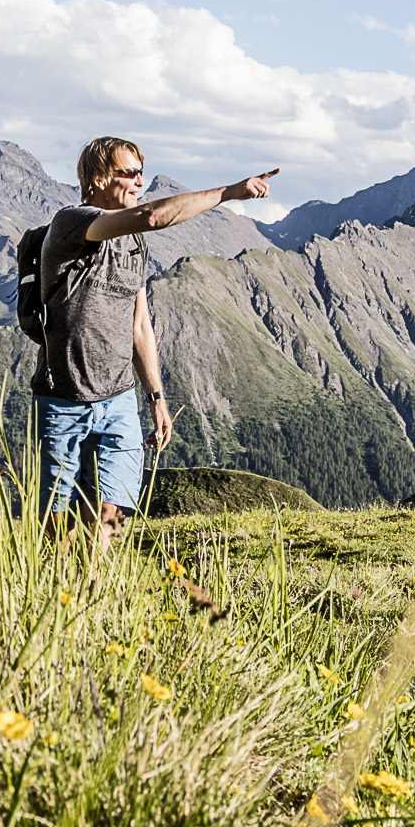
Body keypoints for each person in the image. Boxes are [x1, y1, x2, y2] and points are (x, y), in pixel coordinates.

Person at [34, 137, 281, 544]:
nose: (139, 181)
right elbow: (151, 216)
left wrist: (156, 398)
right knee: (57, 530)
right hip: (63, 401)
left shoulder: (133, 242)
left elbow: (140, 324)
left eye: (141, 172)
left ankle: (97, 596)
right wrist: (229, 192)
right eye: (128, 173)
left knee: (110, 517)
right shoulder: (72, 223)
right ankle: (54, 597)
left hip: (118, 402)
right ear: (98, 179)